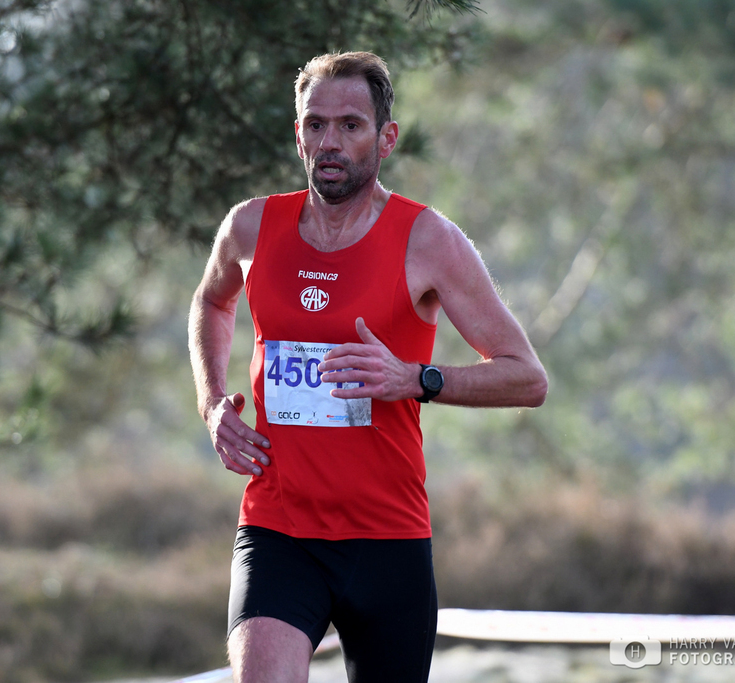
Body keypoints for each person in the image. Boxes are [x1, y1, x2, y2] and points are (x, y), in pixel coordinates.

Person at [188, 51, 547, 683]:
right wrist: (212, 401)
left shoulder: (428, 240)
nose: (329, 141)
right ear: (298, 133)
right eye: (315, 124)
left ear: (386, 138)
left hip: (387, 540)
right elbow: (212, 302)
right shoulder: (250, 227)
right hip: (279, 528)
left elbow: (526, 377)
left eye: (350, 125)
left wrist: (415, 378)